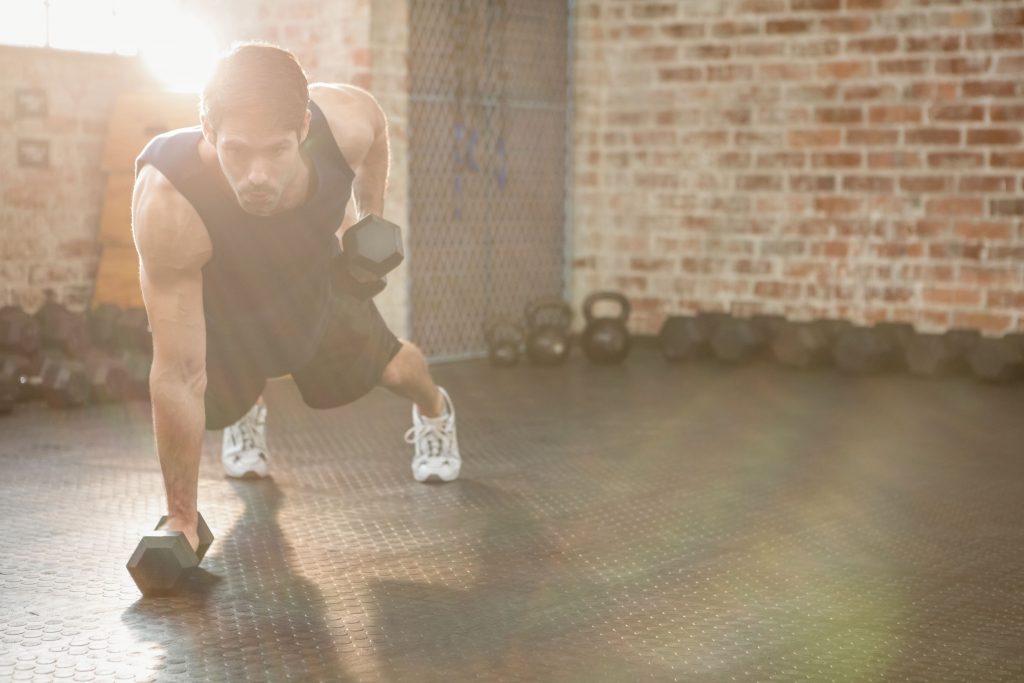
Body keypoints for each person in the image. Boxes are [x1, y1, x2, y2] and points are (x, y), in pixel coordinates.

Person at [131, 42, 460, 553]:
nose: (257, 175)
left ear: (304, 129)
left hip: (312, 283)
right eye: (237, 151)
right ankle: (244, 419)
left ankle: (436, 412)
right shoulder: (169, 201)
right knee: (203, 391)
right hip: (228, 304)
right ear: (209, 130)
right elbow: (176, 373)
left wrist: (370, 215)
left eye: (277, 150)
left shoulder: (343, 122)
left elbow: (376, 129)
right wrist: (181, 521)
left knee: (394, 369)